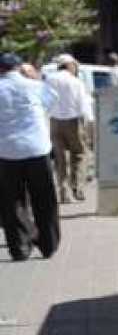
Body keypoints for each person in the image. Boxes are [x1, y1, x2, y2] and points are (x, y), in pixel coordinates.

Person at [0, 53, 61, 261]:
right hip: (37, 148)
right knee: (44, 198)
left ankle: (19, 247)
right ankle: (49, 244)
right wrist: (35, 78)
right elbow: (52, 100)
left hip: (6, 151)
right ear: (18, 68)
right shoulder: (33, 86)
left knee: (12, 201)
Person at [46, 54, 92, 203]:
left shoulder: (49, 80)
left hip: (54, 122)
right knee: (79, 154)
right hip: (73, 121)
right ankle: (78, 188)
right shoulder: (75, 81)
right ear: (70, 65)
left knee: (60, 159)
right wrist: (89, 122)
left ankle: (63, 192)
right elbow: (83, 104)